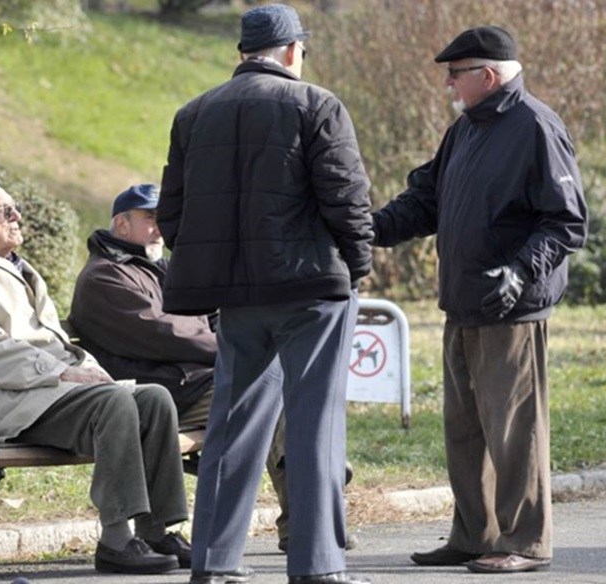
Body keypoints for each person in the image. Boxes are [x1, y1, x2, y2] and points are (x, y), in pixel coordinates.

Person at [158, 4, 374, 584]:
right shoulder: (317, 105)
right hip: (310, 290)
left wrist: (214, 269)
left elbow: (171, 215)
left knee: (232, 425)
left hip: (236, 297)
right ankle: (318, 566)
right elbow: (346, 199)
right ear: (292, 51)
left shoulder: (194, 113)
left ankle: (214, 562)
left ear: (243, 51)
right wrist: (357, 266)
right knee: (314, 425)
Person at [372, 26, 587, 574]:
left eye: (455, 73)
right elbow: (425, 200)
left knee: (515, 432)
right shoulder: (466, 128)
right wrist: (366, 229)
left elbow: (566, 221)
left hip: (511, 310)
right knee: (466, 432)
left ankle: (526, 542)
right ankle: (475, 535)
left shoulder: (536, 126)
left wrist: (520, 270)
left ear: (487, 76)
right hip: (463, 304)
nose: (448, 83)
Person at [0, 177, 192, 575]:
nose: (17, 216)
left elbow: (55, 342)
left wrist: (86, 370)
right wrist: (63, 373)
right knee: (114, 404)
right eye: (4, 211)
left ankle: (156, 530)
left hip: (36, 395)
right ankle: (116, 539)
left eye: (14, 207)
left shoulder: (17, 268)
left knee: (153, 399)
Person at [67, 183, 297, 553]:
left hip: (190, 383)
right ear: (122, 225)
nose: (161, 227)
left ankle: (306, 505)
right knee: (268, 392)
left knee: (274, 388)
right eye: (150, 218)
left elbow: (213, 315)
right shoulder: (104, 277)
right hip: (157, 395)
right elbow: (165, 334)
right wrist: (238, 349)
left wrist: (227, 337)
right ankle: (311, 493)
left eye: (165, 218)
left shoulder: (162, 268)